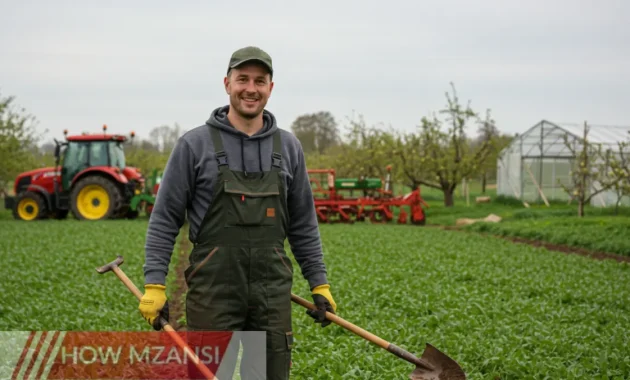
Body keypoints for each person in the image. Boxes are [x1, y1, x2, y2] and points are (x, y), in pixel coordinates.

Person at [138, 46, 337, 379]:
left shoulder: (288, 148)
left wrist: (319, 283)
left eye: (260, 81)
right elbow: (164, 219)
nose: (251, 88)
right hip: (213, 293)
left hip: (271, 295)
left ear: (270, 88)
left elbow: (303, 223)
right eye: (242, 79)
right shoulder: (194, 145)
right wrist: (155, 284)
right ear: (227, 83)